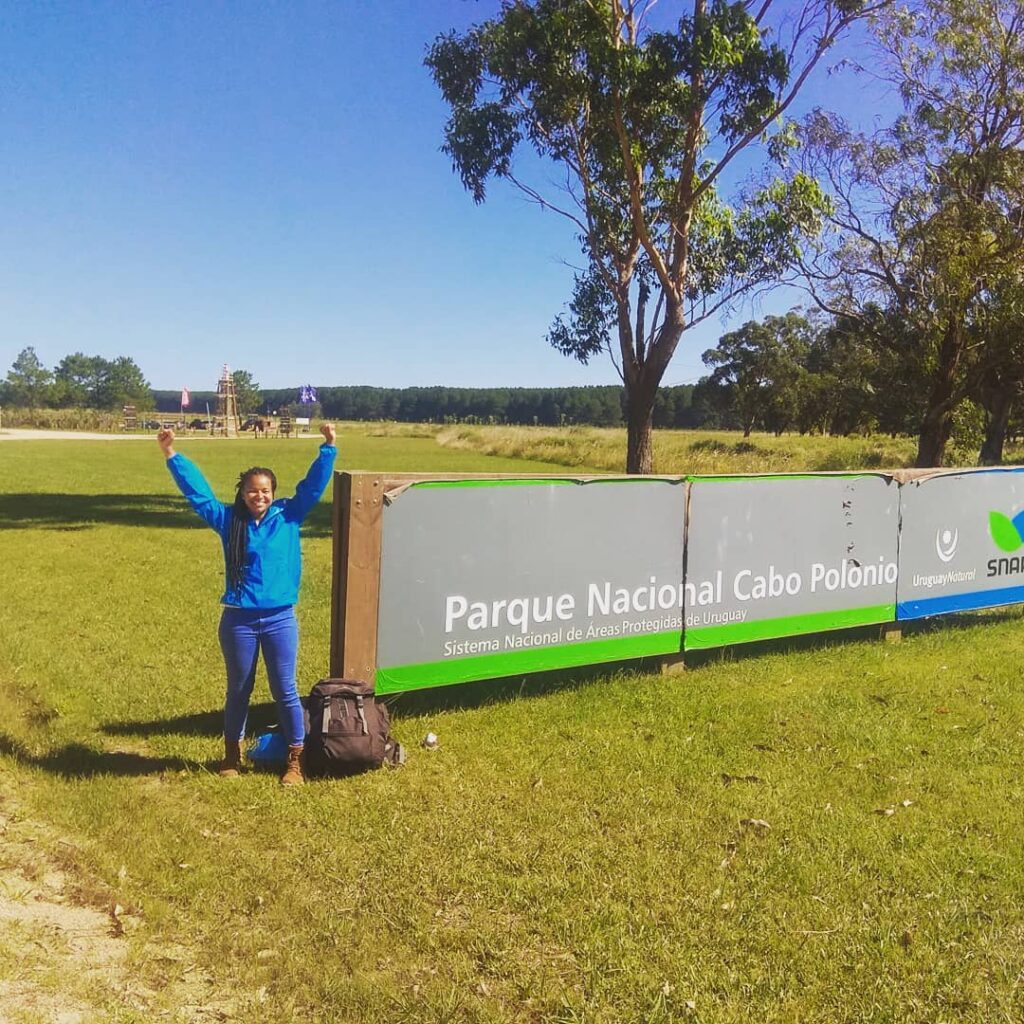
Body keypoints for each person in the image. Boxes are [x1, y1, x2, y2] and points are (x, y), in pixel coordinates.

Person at [157, 422, 338, 786]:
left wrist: (328, 447)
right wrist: (171, 455)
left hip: (279, 619)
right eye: (253, 491)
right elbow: (200, 496)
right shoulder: (229, 521)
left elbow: (313, 486)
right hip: (238, 620)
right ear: (242, 493)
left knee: (284, 689)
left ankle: (295, 760)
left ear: (274, 493)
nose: (260, 496)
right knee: (239, 688)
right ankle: (232, 755)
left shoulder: (289, 515)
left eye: (266, 490)